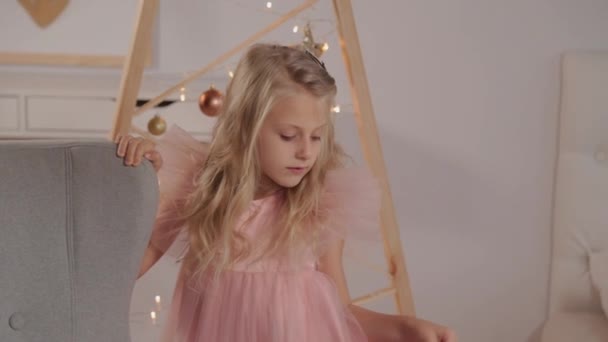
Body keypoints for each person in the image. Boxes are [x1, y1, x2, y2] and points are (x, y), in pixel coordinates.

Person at [116, 43, 456, 342]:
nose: (306, 153)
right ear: (246, 128)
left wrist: (407, 329)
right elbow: (121, 267)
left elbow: (341, 312)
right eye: (289, 136)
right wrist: (131, 178)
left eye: (316, 136)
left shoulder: (319, 205)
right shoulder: (201, 190)